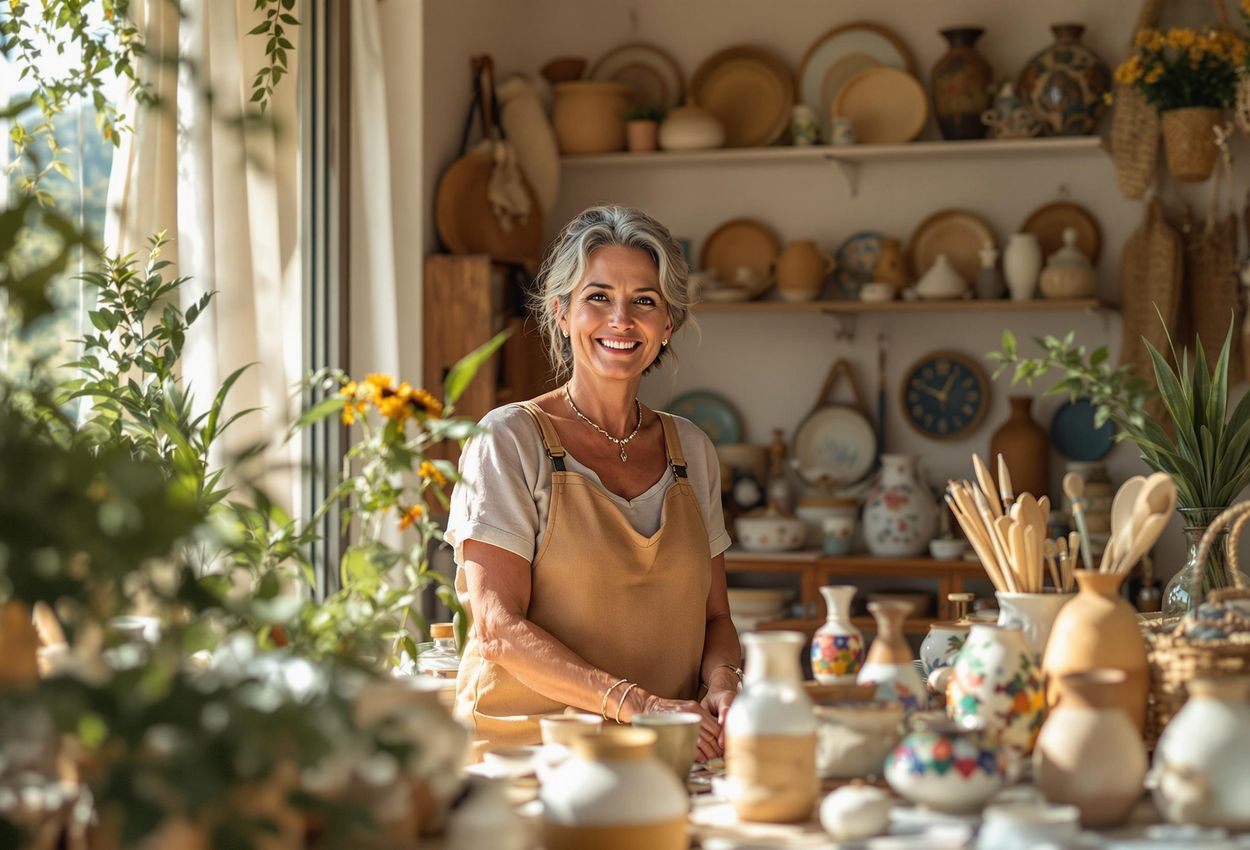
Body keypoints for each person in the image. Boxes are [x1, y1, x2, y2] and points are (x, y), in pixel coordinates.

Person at [445, 204, 741, 761]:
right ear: (561, 313)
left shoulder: (692, 450)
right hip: (529, 757)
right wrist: (638, 704)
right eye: (598, 297)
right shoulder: (508, 440)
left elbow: (715, 617)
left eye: (644, 301)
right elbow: (497, 629)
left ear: (667, 324)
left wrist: (725, 681)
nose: (621, 320)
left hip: (662, 755)